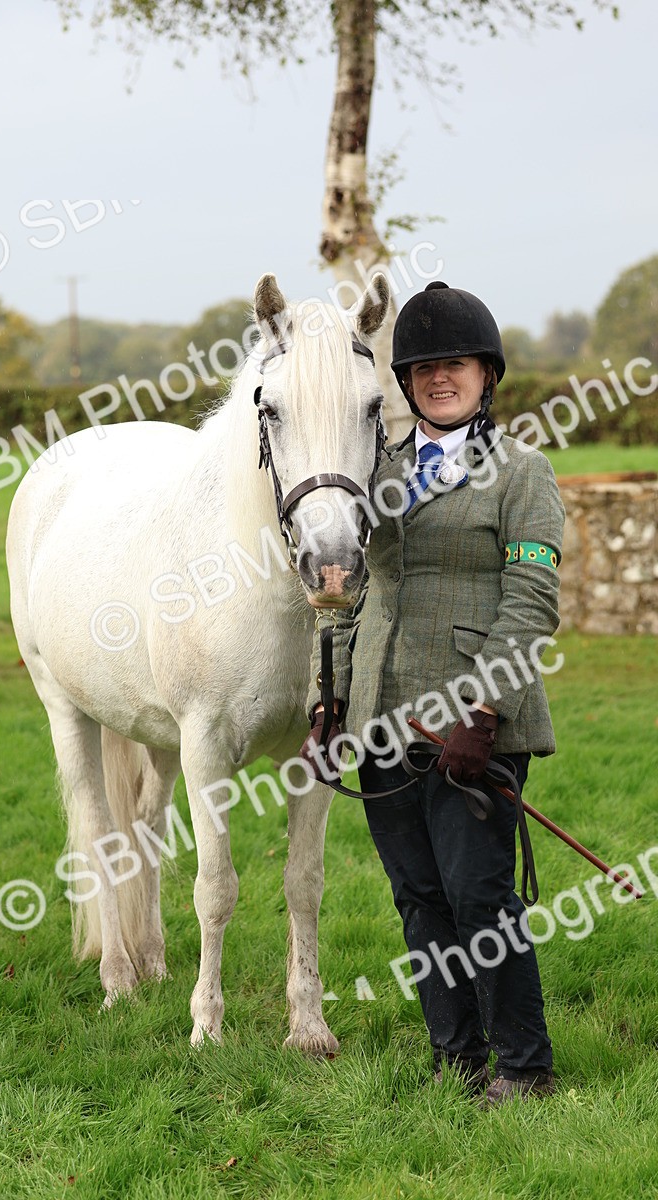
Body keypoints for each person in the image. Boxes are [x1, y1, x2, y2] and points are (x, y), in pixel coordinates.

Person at [301, 281, 565, 1106]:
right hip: (384, 719)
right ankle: (458, 1058)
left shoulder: (523, 473)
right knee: (417, 899)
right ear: (405, 383)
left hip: (471, 729)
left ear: (487, 375)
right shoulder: (378, 474)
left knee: (480, 898)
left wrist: (481, 712)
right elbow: (353, 596)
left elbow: (532, 601)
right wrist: (329, 700)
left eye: (455, 365)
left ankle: (524, 1069)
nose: (438, 379)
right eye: (422, 370)